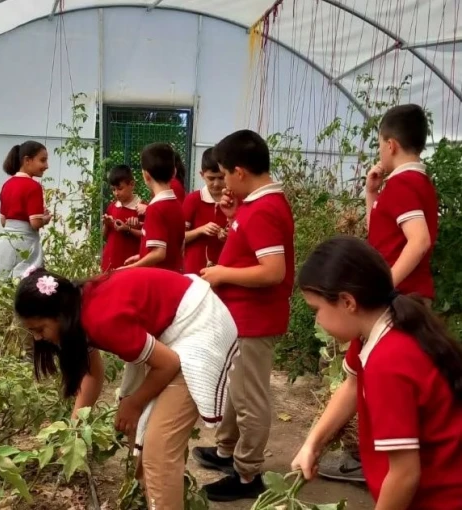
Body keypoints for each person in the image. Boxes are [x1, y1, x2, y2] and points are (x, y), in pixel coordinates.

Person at [15, 267, 238, 510]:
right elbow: (91, 374)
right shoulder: (78, 307)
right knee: (142, 436)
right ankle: (154, 499)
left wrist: (134, 403)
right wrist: (74, 430)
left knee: (159, 450)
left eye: (39, 329)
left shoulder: (100, 320)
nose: (37, 338)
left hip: (200, 324)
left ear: (59, 314)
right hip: (173, 327)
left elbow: (168, 363)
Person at [291, 236, 462, 508]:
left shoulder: (388, 362)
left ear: (348, 302)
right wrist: (312, 444)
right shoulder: (379, 328)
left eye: (317, 310)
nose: (318, 321)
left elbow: (405, 474)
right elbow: (350, 386)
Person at [319, 104, 439, 482]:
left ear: (389, 145)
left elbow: (417, 242)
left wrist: (382, 288)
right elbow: (383, 237)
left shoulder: (404, 184)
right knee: (360, 373)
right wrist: (372, 195)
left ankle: (390, 465)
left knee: (368, 376)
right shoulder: (409, 185)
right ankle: (374, 459)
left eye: (378, 144)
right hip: (403, 295)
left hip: (399, 299)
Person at [195, 130, 295, 501]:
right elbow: (252, 249)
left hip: (255, 320)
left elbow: (273, 271)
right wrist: (235, 217)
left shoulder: (266, 208)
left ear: (239, 171)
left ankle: (247, 473)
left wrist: (221, 274)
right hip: (242, 318)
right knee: (237, 393)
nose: (222, 181)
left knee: (250, 398)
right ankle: (229, 453)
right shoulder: (255, 204)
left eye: (224, 173)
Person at [0, 141, 51, 278]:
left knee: (1, 283)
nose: (46, 166)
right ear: (27, 160)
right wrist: (44, 219)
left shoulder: (7, 185)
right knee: (28, 284)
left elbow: (3, 221)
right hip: (26, 244)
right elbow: (35, 223)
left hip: (6, 244)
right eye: (43, 160)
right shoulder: (33, 186)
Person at [124, 143, 185, 272]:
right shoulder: (176, 205)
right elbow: (174, 247)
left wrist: (129, 269)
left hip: (157, 279)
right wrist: (142, 257)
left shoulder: (155, 209)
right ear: (174, 172)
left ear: (146, 175)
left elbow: (159, 253)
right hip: (173, 274)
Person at [182, 148, 229, 274]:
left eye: (221, 178)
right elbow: (178, 238)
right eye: (211, 178)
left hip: (224, 270)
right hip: (194, 270)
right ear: (202, 175)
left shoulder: (233, 200)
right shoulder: (193, 200)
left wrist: (227, 236)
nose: (216, 183)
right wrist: (200, 230)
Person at [101, 165, 144, 272]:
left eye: (120, 189)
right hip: (110, 261)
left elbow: (147, 236)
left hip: (130, 263)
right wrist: (107, 224)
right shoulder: (112, 207)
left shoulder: (142, 208)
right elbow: (104, 236)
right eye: (113, 189)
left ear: (132, 184)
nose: (116, 193)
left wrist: (130, 229)